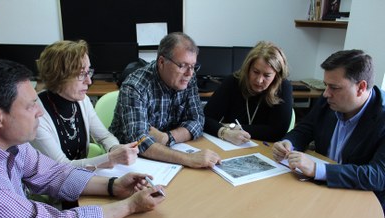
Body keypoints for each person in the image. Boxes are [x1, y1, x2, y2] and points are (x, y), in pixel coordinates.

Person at [0, 59, 165, 218]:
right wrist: (131, 206)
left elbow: (54, 174)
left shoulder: (13, 144)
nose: (39, 112)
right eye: (30, 106)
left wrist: (113, 185)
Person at [272, 49, 385, 212]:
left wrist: (318, 169)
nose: (325, 93)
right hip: (319, 189)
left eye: (334, 87)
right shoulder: (330, 101)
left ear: (361, 87)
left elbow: (378, 175)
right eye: (326, 86)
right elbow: (305, 128)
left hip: (361, 201)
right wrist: (288, 143)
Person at [110, 32, 221, 168]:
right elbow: (140, 142)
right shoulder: (135, 87)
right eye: (182, 65)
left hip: (169, 153)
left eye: (193, 66)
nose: (189, 73)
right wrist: (189, 159)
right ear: (161, 62)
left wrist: (167, 137)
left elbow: (197, 120)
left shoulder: (188, 78)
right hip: (129, 161)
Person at [31, 40, 138, 170]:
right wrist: (110, 159)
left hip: (80, 178)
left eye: (88, 72)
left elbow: (104, 136)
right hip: (51, 184)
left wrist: (116, 149)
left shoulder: (82, 100)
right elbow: (61, 167)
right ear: (58, 76)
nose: (89, 81)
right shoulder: (35, 114)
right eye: (82, 74)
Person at [203, 41, 293, 145]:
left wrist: (235, 128)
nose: (259, 80)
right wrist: (225, 132)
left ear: (276, 75)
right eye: (255, 72)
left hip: (265, 149)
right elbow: (205, 119)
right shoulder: (233, 82)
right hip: (230, 146)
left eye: (267, 75)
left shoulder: (283, 87)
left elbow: (277, 132)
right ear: (248, 68)